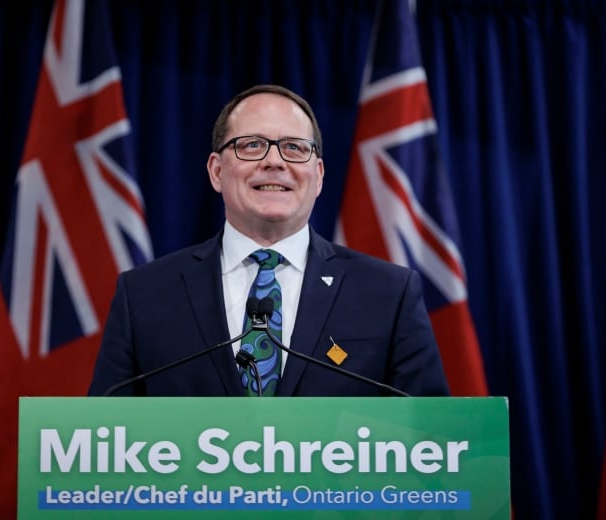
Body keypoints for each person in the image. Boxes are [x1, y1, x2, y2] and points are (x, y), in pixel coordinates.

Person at [88, 84, 449, 397]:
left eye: (294, 148)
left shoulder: (389, 294)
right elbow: (103, 438)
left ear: (318, 175)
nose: (274, 161)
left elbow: (428, 440)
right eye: (252, 145)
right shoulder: (144, 295)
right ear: (216, 171)